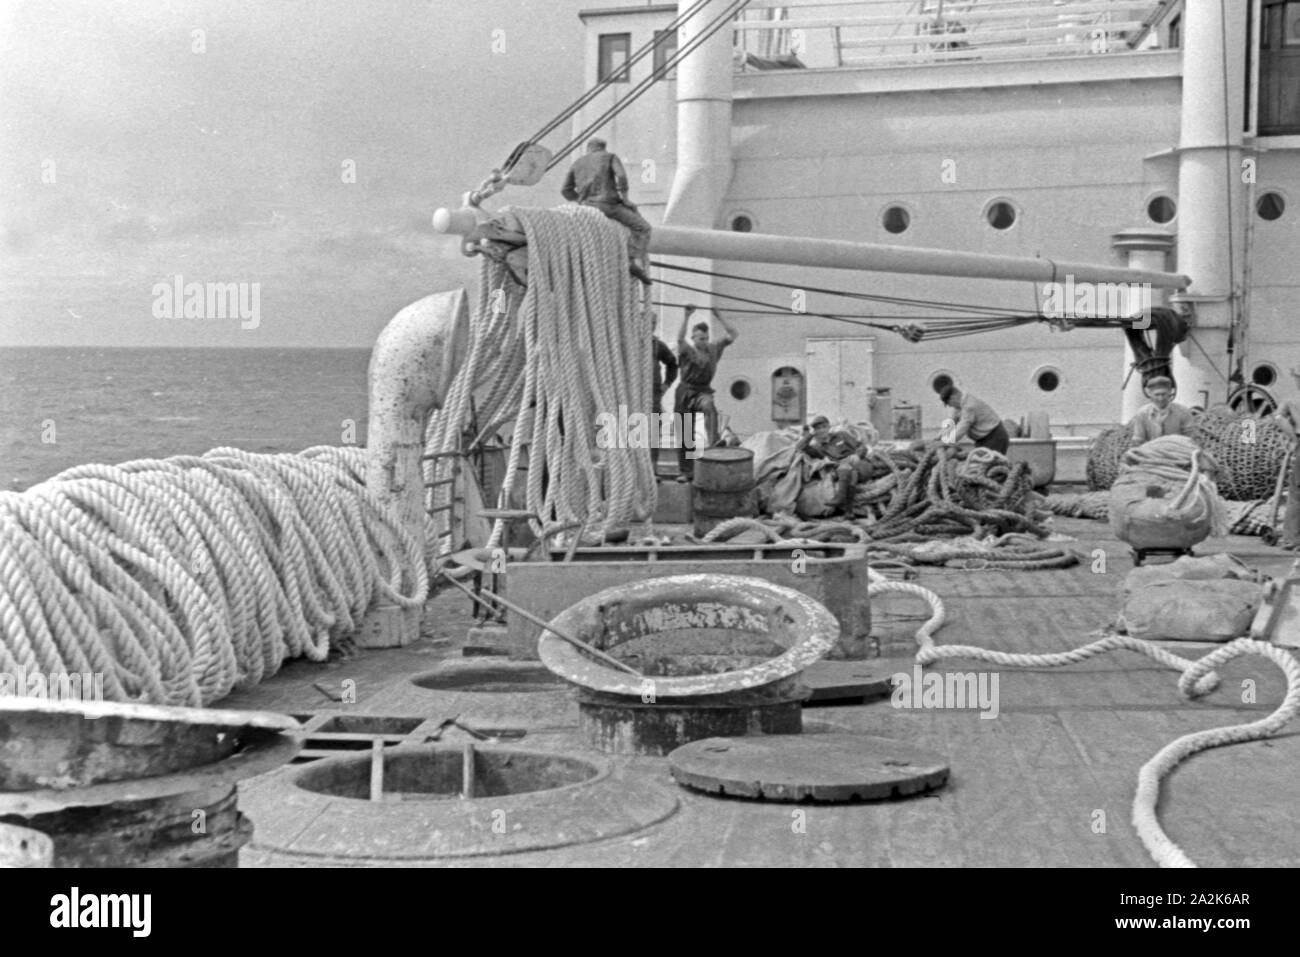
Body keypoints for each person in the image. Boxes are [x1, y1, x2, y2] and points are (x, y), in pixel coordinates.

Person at [560, 138, 652, 281]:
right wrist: (625, 198)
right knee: (643, 228)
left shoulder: (577, 163)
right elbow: (621, 175)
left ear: (589, 149)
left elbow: (565, 190)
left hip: (587, 207)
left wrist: (580, 200)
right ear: (603, 148)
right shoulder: (610, 157)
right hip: (609, 205)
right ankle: (632, 260)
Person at [673, 307, 740, 482]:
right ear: (694, 338)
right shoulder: (687, 350)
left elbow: (733, 334)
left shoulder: (713, 348)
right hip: (685, 392)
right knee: (685, 432)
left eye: (706, 338)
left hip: (703, 390)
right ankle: (686, 471)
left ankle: (714, 443)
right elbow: (679, 339)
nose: (704, 341)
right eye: (700, 339)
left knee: (709, 407)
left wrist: (719, 316)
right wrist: (686, 316)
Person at [795, 414, 869, 515]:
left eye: (824, 427)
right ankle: (849, 511)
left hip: (859, 464)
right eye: (818, 428)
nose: (822, 430)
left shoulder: (842, 435)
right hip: (845, 471)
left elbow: (862, 447)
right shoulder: (818, 448)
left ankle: (840, 497)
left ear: (829, 427)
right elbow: (799, 447)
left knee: (848, 468)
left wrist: (857, 455)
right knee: (851, 473)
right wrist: (810, 434)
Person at [939, 384, 1009, 455]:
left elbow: (962, 428)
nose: (950, 406)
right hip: (983, 440)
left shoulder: (969, 406)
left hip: (994, 437)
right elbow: (952, 421)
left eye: (949, 404)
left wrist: (944, 442)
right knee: (978, 462)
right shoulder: (960, 405)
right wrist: (939, 436)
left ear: (953, 397)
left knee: (986, 464)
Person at [1129, 376, 1196, 445]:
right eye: (1157, 395)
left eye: (1163, 394)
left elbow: (1190, 439)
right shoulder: (1142, 414)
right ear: (1150, 394)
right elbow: (1138, 439)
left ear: (1170, 392)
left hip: (1177, 452)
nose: (1160, 398)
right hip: (1150, 452)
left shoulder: (1183, 412)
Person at [650, 334, 678, 476]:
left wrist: (667, 384)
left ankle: (652, 469)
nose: (650, 325)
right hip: (632, 391)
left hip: (653, 391)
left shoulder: (657, 345)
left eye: (653, 323)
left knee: (654, 429)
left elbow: (672, 363)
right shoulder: (630, 341)